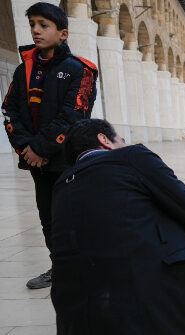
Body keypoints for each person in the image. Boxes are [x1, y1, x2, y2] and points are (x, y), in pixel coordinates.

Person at [52, 119, 185, 334]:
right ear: (104, 140)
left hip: (78, 324)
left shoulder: (61, 187)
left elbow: (127, 222)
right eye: (122, 140)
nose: (125, 144)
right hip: (150, 316)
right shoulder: (132, 157)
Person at [2, 2, 98, 289]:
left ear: (63, 33)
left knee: (73, 216)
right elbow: (10, 112)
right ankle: (60, 268)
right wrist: (26, 151)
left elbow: (74, 115)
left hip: (67, 159)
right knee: (48, 219)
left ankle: (86, 268)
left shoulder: (80, 70)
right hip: (37, 163)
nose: (36, 30)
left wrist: (41, 149)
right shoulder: (23, 72)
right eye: (32, 24)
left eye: (44, 25)